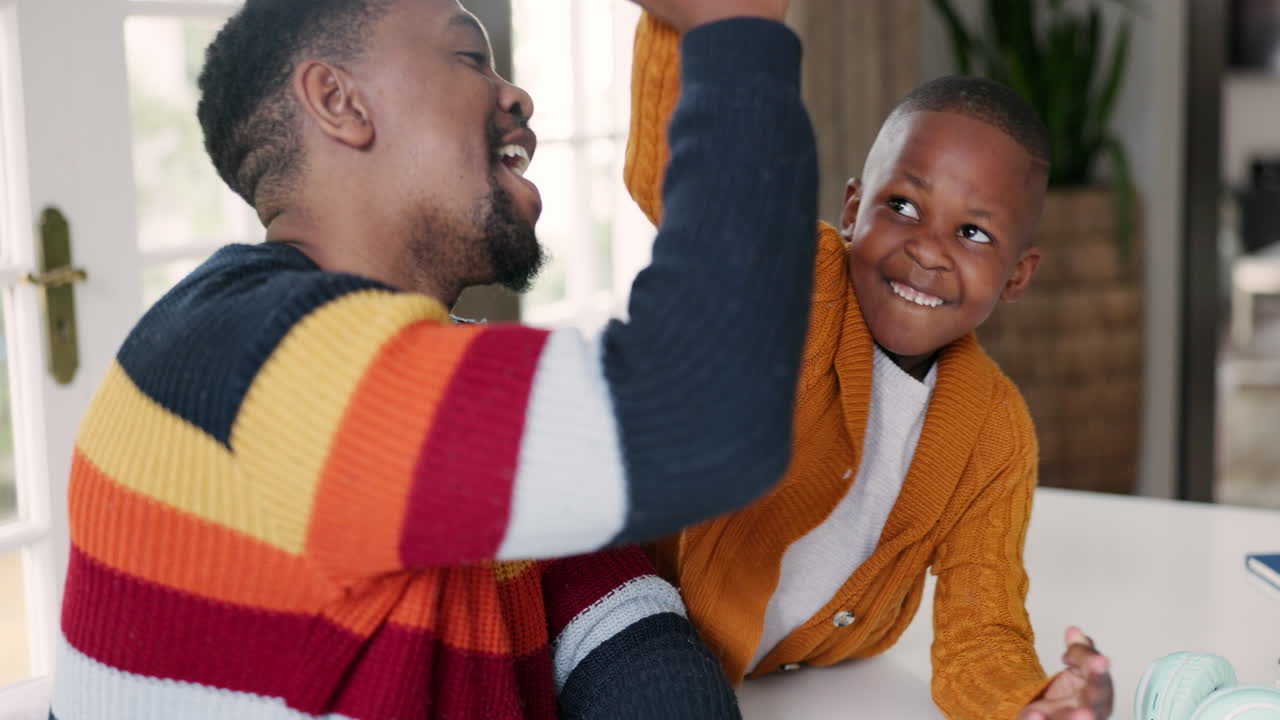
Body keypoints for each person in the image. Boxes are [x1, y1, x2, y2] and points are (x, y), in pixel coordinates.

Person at [49, 1, 820, 718]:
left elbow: (609, 605)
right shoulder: (250, 357)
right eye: (467, 57)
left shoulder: (420, 358)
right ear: (339, 102)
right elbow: (705, 414)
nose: (516, 95)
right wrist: (735, 32)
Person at [625, 13, 1114, 720]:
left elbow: (981, 628)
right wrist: (688, 29)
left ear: (1018, 274)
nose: (928, 250)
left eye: (974, 233)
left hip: (816, 675)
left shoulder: (996, 431)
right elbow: (691, 190)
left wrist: (1032, 701)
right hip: (645, 612)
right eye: (904, 205)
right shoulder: (798, 277)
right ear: (853, 208)